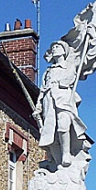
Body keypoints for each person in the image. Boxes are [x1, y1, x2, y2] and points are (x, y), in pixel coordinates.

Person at [33, 40, 88, 169]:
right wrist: (38, 106)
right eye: (53, 47)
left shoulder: (71, 66)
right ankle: (57, 162)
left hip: (64, 99)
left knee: (63, 125)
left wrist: (89, 35)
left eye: (58, 46)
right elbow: (43, 89)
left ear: (64, 51)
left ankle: (66, 154)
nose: (55, 48)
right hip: (49, 100)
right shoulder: (48, 71)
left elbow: (86, 57)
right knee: (49, 132)